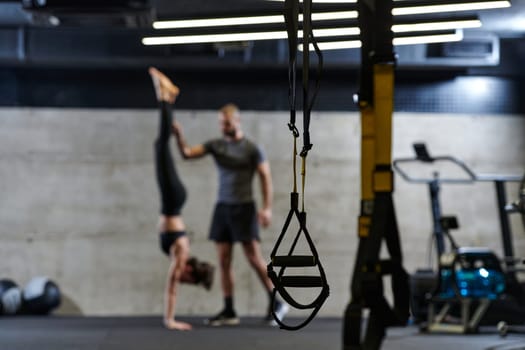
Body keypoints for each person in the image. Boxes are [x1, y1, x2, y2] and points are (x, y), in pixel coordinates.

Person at [172, 101, 289, 326]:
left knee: (254, 258)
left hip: (244, 208)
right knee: (224, 260)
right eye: (220, 124)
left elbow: (266, 177)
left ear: (237, 121)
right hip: (223, 208)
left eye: (226, 123)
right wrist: (178, 135)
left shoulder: (252, 149)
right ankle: (229, 309)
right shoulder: (216, 146)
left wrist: (267, 208)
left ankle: (278, 302)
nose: (223, 127)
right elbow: (187, 154)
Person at [148, 67, 214, 331]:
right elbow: (171, 286)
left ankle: (168, 98)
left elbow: (175, 283)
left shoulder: (181, 252)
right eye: (189, 280)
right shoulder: (182, 253)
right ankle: (165, 96)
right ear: (190, 271)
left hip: (173, 200)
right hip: (173, 199)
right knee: (160, 147)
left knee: (159, 146)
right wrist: (170, 320)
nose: (182, 280)